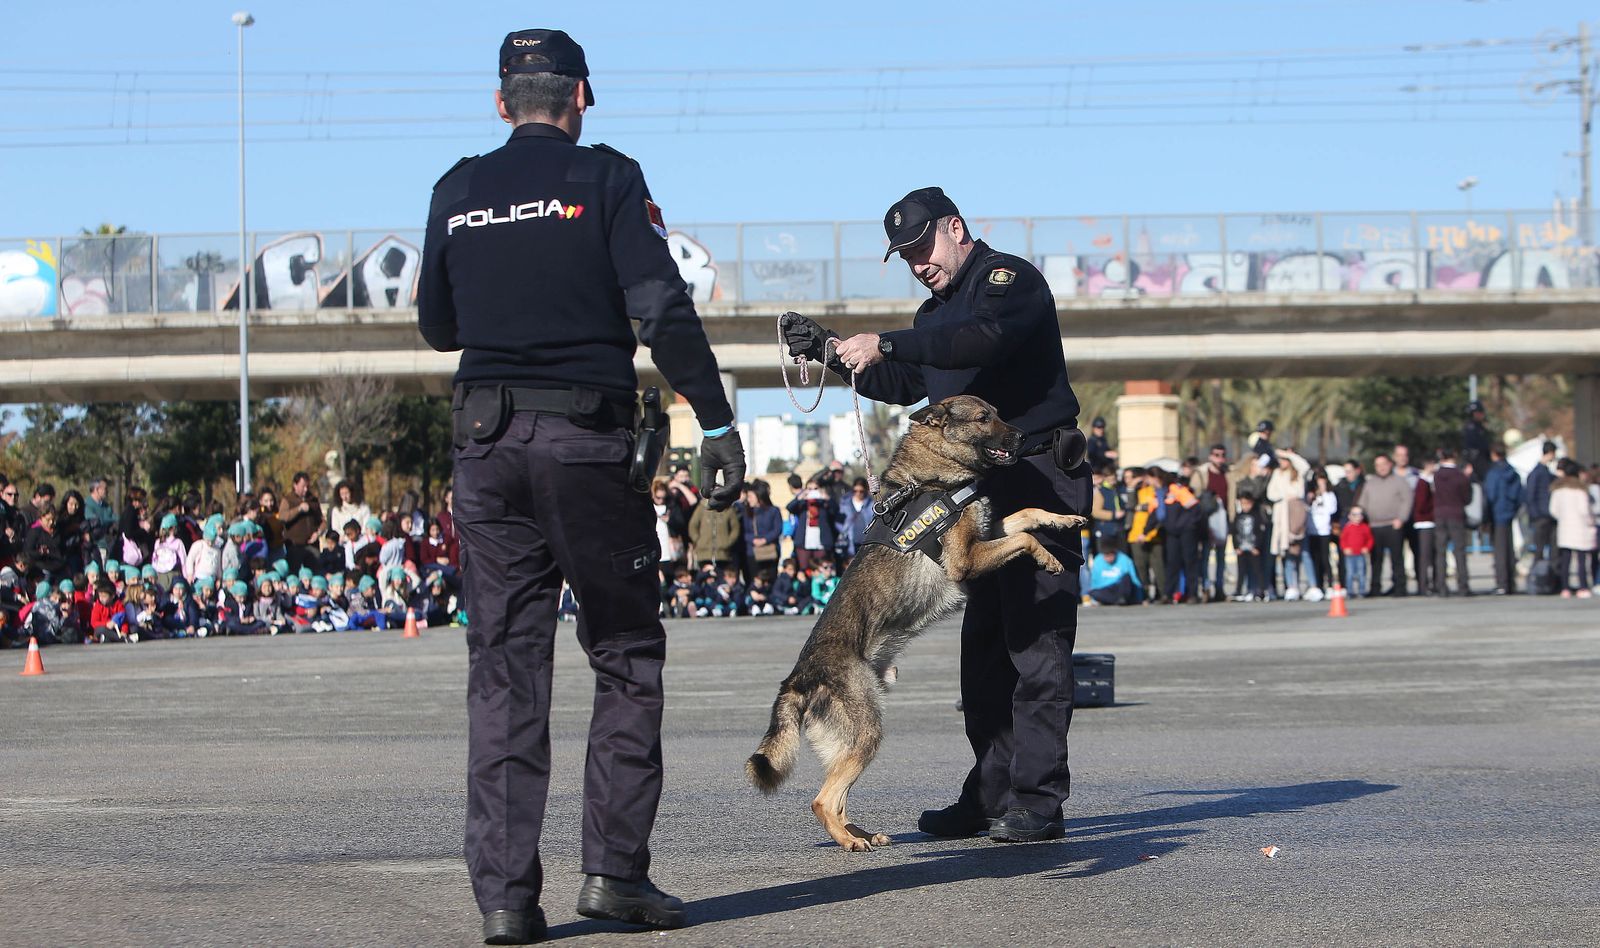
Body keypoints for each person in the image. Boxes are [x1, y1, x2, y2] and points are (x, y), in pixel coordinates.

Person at [417, 28, 744, 942]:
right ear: (582, 97)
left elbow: (439, 326)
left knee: (506, 672)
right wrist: (714, 418)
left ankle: (506, 902)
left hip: (484, 446)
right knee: (626, 654)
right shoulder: (607, 179)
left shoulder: (457, 189)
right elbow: (660, 306)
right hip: (585, 444)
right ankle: (613, 877)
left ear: (500, 102)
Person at [784, 185, 1088, 844]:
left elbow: (979, 340)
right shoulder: (934, 316)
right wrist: (836, 352)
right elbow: (908, 382)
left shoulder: (1010, 284)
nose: (919, 262)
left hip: (1039, 472)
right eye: (906, 255)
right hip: (975, 491)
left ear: (955, 228)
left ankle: (1038, 800)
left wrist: (888, 342)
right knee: (982, 652)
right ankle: (990, 792)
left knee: (1036, 647)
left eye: (924, 247)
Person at [1356, 454, 1413, 596]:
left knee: (1396, 558)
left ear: (1390, 464)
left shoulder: (1399, 481)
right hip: (1374, 526)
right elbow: (1362, 502)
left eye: (1384, 464)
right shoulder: (1370, 483)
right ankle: (1375, 588)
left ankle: (1400, 587)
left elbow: (1407, 500)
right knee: (1375, 559)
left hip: (1393, 525)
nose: (1381, 468)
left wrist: (1401, 518)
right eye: (1378, 465)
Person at [1549, 459, 1595, 598]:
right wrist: (1591, 522)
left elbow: (1553, 510)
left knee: (1565, 560)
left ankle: (1565, 587)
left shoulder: (1558, 491)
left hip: (1565, 528)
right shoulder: (1580, 491)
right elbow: (1584, 511)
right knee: (1581, 560)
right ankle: (1583, 586)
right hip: (1580, 528)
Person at [1482, 444, 1523, 595]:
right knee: (1509, 549)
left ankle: (1502, 583)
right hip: (1509, 514)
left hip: (1497, 514)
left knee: (1500, 551)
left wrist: (1485, 517)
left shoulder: (1493, 473)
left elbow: (1490, 495)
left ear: (1494, 454)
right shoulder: (1513, 472)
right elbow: (1520, 495)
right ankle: (1511, 582)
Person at [1432, 447, 1473, 596]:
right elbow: (1467, 498)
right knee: (1459, 550)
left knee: (1441, 551)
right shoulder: (1460, 476)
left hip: (1439, 514)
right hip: (1456, 513)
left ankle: (1441, 585)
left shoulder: (1436, 475)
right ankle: (1463, 585)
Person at [282, 473, 324, 573]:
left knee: (316, 572)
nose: (305, 489)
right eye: (303, 486)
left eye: (307, 486)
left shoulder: (313, 500)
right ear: (295, 485)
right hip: (295, 546)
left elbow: (322, 521)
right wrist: (298, 509)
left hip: (312, 545)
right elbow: (283, 517)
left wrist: (318, 533)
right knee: (294, 573)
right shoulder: (288, 500)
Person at [1524, 440, 1558, 562]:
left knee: (1551, 548)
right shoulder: (1538, 473)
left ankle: (1548, 575)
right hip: (1541, 516)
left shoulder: (1546, 472)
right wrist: (1536, 515)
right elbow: (1530, 495)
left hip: (1546, 515)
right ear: (1550, 453)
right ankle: (1539, 576)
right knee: (1540, 549)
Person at [1086, 539, 1142, 606]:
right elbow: (1094, 580)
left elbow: (1134, 579)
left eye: (1111, 555)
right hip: (1106, 589)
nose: (1108, 558)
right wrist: (1093, 599)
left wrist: (1139, 598)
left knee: (1127, 577)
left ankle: (1120, 599)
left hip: (1120, 588)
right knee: (1093, 593)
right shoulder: (1097, 560)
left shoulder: (1125, 559)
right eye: (1106, 555)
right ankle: (1118, 601)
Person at [1339, 506, 1375, 598]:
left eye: (1359, 514)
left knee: (1361, 573)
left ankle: (1362, 590)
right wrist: (1345, 548)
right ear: (1350, 516)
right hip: (1350, 555)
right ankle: (1350, 591)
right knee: (1350, 573)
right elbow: (1343, 540)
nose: (1357, 517)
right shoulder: (1348, 527)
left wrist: (1367, 548)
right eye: (1354, 515)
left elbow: (1370, 539)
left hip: (1360, 554)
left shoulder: (1365, 527)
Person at [1462, 399, 1491, 483]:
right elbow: (1470, 449)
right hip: (1477, 467)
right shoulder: (1471, 429)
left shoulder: (1480, 428)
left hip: (1482, 464)